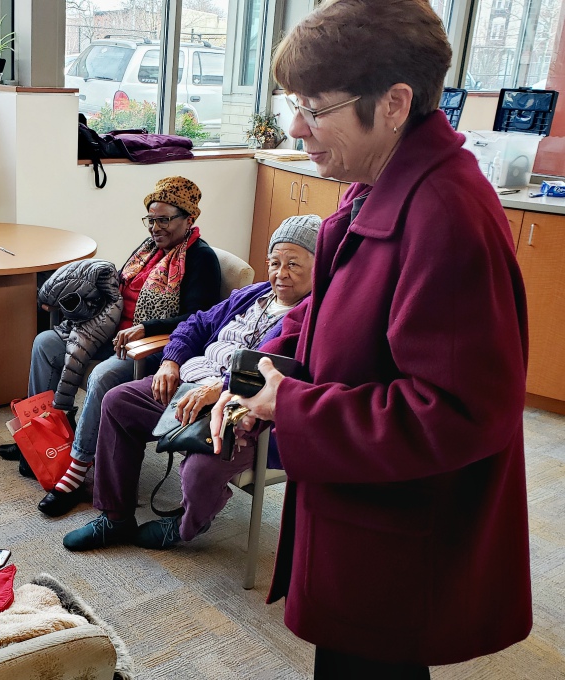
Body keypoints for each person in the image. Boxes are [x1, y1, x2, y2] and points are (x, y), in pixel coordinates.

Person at [208, 1, 531, 678]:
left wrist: (289, 407)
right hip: (363, 512)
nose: (297, 127)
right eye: (293, 102)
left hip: (401, 543)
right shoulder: (376, 183)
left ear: (394, 104)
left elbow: (457, 413)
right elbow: (343, 314)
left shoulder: (445, 216)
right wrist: (250, 376)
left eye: (315, 107)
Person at [61, 215, 318, 551]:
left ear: (319, 265)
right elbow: (197, 322)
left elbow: (281, 371)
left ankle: (186, 527)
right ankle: (115, 517)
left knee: (200, 470)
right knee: (117, 401)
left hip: (242, 413)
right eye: (274, 262)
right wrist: (171, 361)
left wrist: (222, 389)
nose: (280, 273)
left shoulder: (314, 317)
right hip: (189, 385)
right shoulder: (254, 295)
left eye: (294, 264)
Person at [0, 176, 222, 517]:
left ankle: (77, 468)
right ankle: (42, 438)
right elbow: (116, 289)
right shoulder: (148, 251)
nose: (155, 228)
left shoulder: (201, 259)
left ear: (188, 218)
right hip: (111, 333)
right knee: (45, 343)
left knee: (103, 375)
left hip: (148, 351)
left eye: (164, 220)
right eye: (151, 220)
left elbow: (197, 318)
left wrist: (144, 327)